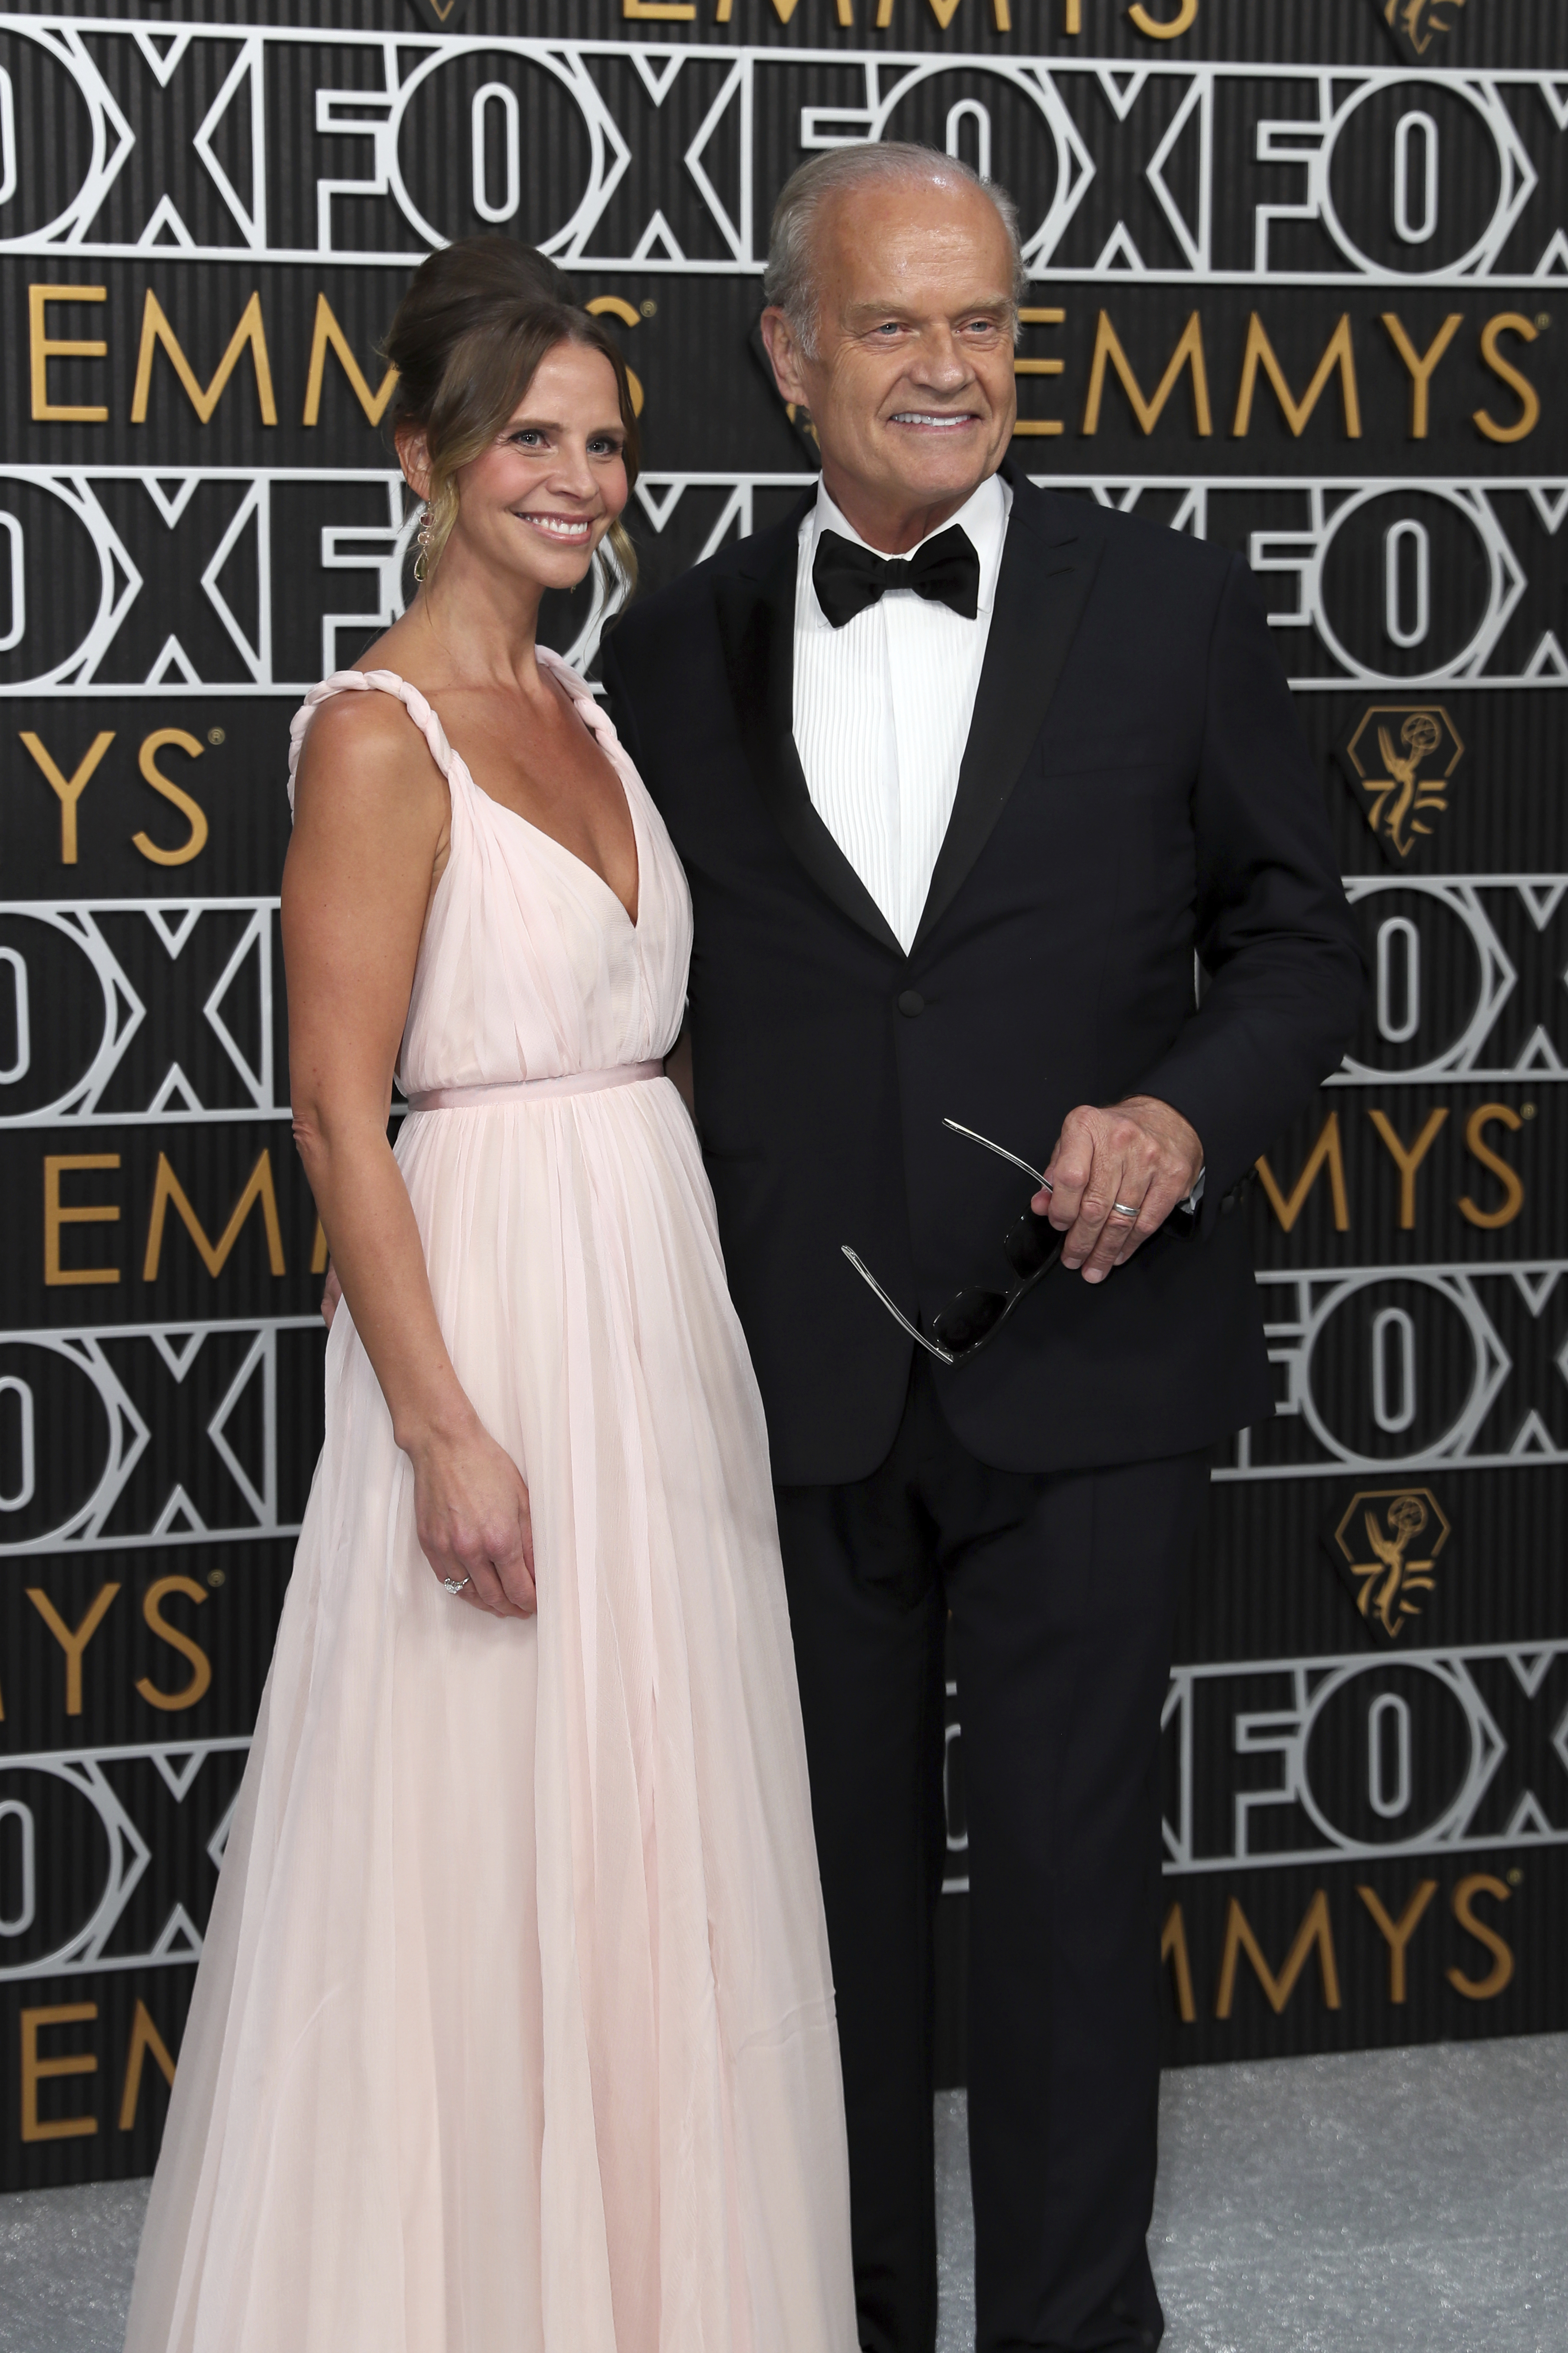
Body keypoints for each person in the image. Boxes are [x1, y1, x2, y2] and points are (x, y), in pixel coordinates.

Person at [600, 147, 1365, 2353]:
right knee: (814, 1928)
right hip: (791, 1380)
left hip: (1095, 1362)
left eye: (988, 323)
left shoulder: (1175, 606)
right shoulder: (668, 642)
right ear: (788, 353)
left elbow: (1305, 946)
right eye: (895, 324)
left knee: (1061, 1907)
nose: (952, 367)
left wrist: (1181, 1117)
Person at [123, 236, 857, 2353]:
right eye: (532, 437)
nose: (579, 478)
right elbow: (342, 1120)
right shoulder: (375, 732)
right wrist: (441, 1423)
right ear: (427, 454)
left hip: (652, 1311)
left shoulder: (589, 717)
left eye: (609, 440)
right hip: (493, 1324)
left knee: (657, 1833)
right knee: (472, 1834)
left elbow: (668, 1043)